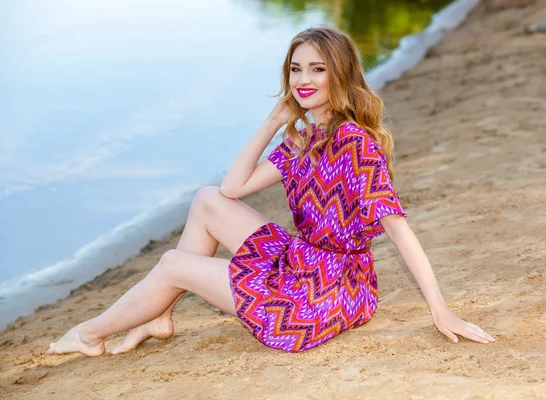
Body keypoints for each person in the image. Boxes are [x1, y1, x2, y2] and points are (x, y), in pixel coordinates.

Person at [47, 27, 494, 356]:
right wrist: (273, 123)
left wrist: (440, 309)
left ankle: (91, 334)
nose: (304, 79)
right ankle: (160, 314)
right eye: (296, 68)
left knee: (172, 263)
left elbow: (397, 230)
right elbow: (231, 188)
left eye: (318, 69)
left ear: (339, 75)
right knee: (205, 199)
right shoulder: (301, 140)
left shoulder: (355, 144)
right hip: (303, 261)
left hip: (327, 291)